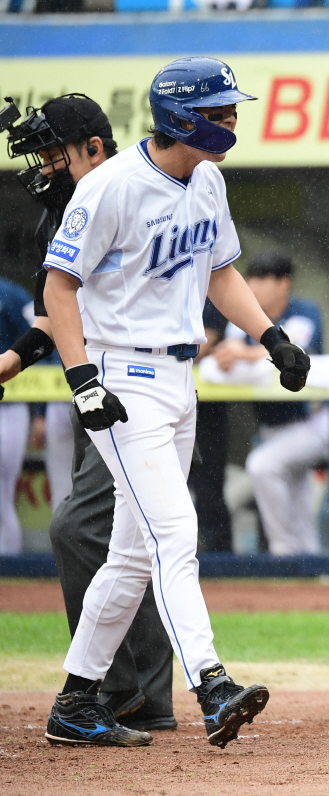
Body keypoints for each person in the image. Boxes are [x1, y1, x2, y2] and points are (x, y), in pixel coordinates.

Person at [40, 56, 310, 748]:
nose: (231, 120)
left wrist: (272, 337)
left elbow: (220, 272)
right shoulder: (110, 186)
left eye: (231, 109)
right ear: (180, 118)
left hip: (180, 375)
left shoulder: (208, 180)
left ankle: (75, 701)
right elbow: (59, 286)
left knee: (133, 555)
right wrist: (82, 379)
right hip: (122, 375)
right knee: (174, 533)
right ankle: (212, 685)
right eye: (218, 111)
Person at [0, 93, 180, 731]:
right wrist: (12, 361)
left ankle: (107, 689)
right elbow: (54, 316)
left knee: (79, 529)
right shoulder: (59, 217)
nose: (43, 169)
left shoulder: (131, 193)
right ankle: (145, 696)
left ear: (94, 149)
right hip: (93, 387)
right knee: (127, 540)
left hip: (139, 390)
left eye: (53, 155)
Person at [214, 252, 327, 556]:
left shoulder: (304, 311)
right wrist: (236, 353)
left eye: (263, 278)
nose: (254, 285)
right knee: (298, 499)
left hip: (312, 422)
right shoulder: (246, 315)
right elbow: (229, 349)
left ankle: (283, 551)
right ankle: (309, 561)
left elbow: (294, 350)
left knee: (262, 466)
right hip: (272, 428)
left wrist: (244, 354)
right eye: (252, 278)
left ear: (284, 284)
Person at [190, 299, 232, 552]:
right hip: (162, 399)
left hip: (206, 411)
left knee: (208, 485)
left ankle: (218, 554)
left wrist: (161, 353)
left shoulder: (206, 291)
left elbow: (205, 340)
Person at [0, 275, 35, 554]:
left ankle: (8, 564)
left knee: (3, 491)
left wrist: (40, 413)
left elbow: (42, 343)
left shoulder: (10, 294)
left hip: (11, 402)